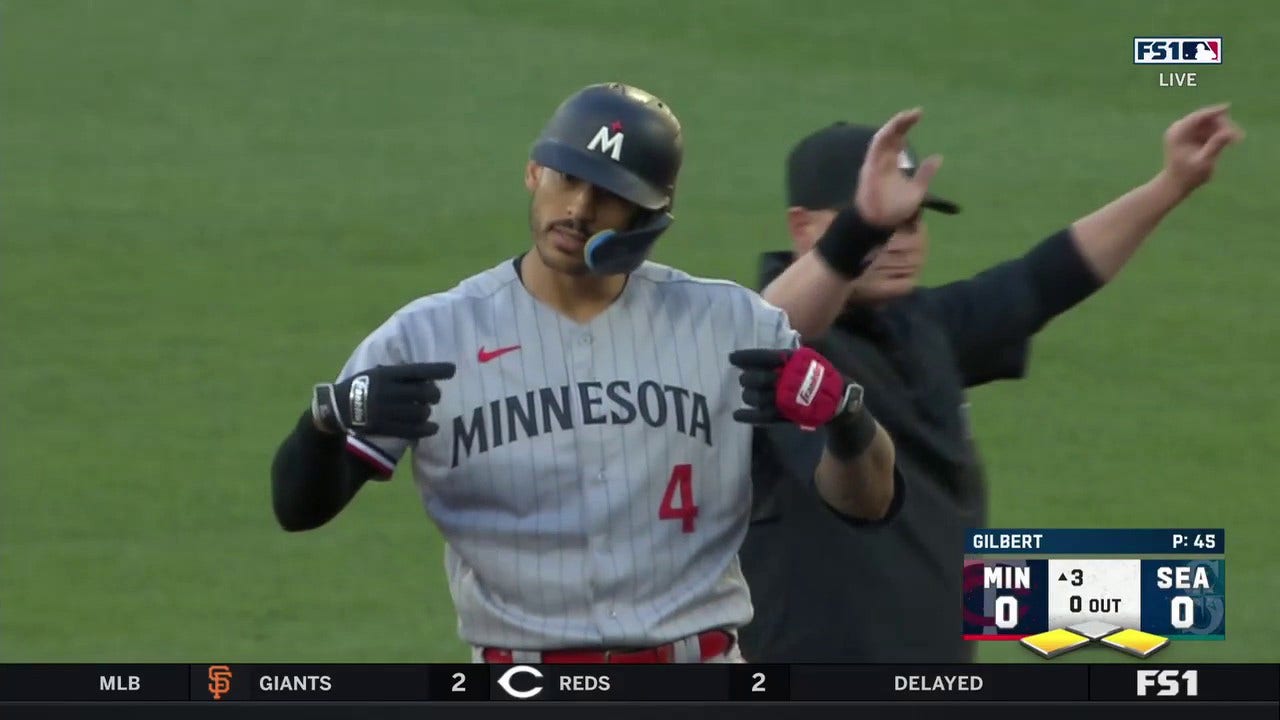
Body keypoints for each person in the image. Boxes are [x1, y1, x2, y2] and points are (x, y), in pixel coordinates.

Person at [269, 82, 899, 664]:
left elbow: (869, 503)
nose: (578, 208)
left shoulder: (730, 325)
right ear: (533, 172)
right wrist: (326, 420)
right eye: (567, 179)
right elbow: (298, 509)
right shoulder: (428, 337)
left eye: (610, 194)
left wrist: (846, 416)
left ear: (652, 213)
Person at [738, 105, 1243, 663]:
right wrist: (859, 234)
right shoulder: (761, 347)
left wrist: (1170, 184)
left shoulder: (924, 325)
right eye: (881, 224)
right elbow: (771, 326)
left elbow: (1045, 277)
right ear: (803, 227)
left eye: (911, 221)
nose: (901, 240)